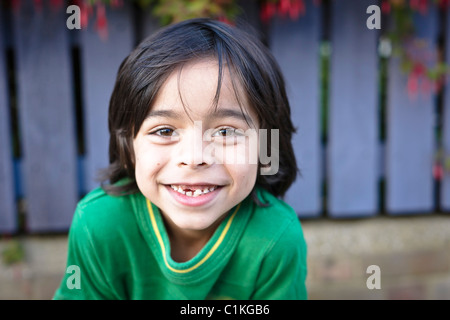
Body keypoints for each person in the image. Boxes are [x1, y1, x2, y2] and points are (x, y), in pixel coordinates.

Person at [53, 18, 307, 300]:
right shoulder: (99, 225)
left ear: (266, 145)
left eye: (225, 131)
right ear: (128, 143)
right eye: (164, 131)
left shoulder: (277, 237)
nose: (194, 157)